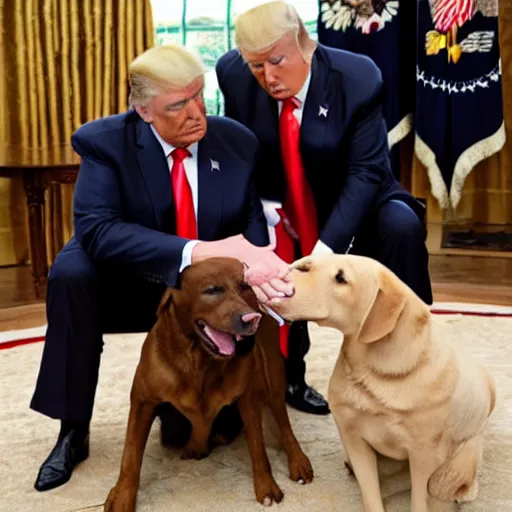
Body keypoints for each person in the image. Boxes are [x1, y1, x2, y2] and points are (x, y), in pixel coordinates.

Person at [30, 44, 294, 492]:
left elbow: (252, 235)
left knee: (272, 277)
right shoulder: (104, 141)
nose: (196, 113)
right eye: (178, 104)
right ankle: (73, 428)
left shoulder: (236, 142)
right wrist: (196, 250)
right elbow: (98, 231)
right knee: (71, 275)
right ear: (144, 111)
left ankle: (286, 387)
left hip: (207, 289)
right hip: (129, 275)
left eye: (199, 96)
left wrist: (259, 267)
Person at [216, 1, 433, 414]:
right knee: (268, 262)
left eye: (277, 61)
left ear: (305, 42)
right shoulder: (233, 73)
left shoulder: (357, 77)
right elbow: (243, 151)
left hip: (358, 200)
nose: (268, 77)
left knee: (401, 225)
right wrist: (267, 212)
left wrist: (325, 250)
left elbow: (366, 172)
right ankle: (289, 378)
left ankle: (415, 351)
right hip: (282, 204)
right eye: (256, 66)